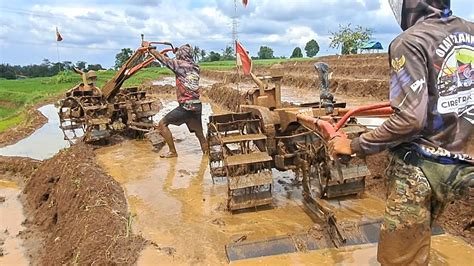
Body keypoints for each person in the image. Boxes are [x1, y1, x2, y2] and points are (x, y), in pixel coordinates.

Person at [329, 0, 473, 265]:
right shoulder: (471, 31)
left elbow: (409, 120)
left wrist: (354, 145)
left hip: (422, 168)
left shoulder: (409, 42)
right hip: (467, 164)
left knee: (401, 260)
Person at [143, 42, 207, 158]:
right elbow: (171, 63)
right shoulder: (196, 67)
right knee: (200, 134)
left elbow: (164, 61)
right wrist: (172, 56)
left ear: (180, 55)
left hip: (186, 106)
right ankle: (207, 156)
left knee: (162, 124)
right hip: (197, 105)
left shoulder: (179, 65)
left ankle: (173, 152)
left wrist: (150, 49)